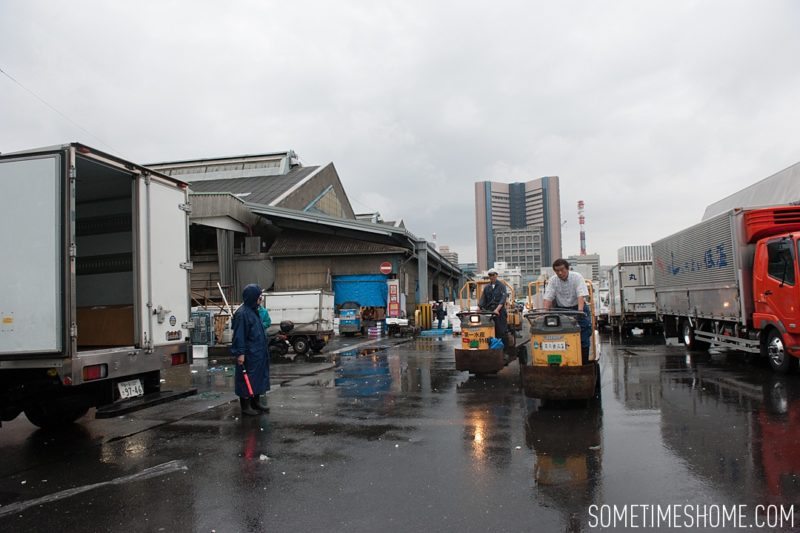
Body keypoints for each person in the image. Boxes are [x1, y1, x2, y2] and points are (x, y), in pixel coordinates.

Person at [231, 284, 270, 416]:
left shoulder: (254, 311)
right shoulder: (242, 314)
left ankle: (255, 402)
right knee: (246, 378)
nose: (261, 300)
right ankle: (246, 405)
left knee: (257, 377)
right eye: (259, 298)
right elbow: (239, 336)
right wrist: (240, 353)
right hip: (249, 354)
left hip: (257, 352)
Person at [543, 258, 592, 362]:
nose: (560, 273)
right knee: (557, 335)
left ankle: (584, 363)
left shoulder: (577, 277)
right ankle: (560, 360)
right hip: (561, 309)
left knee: (583, 334)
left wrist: (579, 312)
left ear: (567, 268)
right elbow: (548, 297)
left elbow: (580, 295)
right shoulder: (553, 280)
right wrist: (544, 313)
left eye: (562, 270)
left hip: (578, 307)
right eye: (557, 271)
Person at [478, 268, 508, 339]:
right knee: (488, 329)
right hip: (489, 311)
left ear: (496, 275)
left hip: (499, 312)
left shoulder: (502, 286)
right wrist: (479, 307)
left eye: (493, 275)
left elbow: (503, 299)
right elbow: (483, 298)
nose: (491, 276)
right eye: (490, 275)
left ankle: (502, 347)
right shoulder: (487, 287)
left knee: (501, 331)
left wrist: (497, 309)